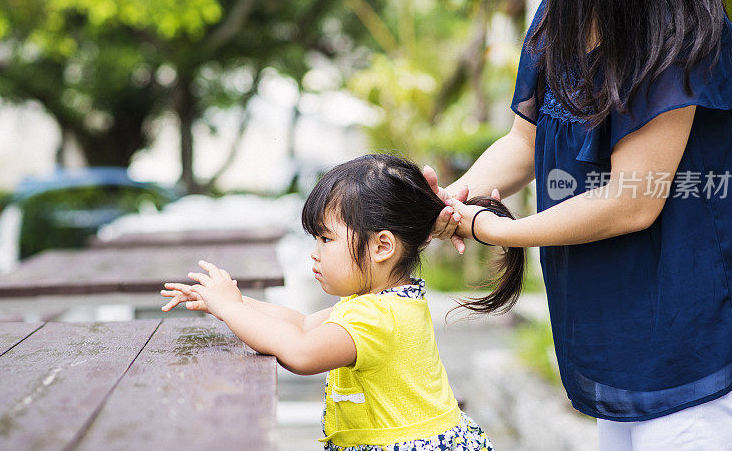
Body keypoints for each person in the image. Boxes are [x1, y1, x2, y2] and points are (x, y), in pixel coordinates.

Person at [426, 0, 732, 449]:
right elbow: (523, 143)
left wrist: (492, 230)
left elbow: (632, 202)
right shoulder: (556, 20)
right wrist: (444, 205)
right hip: (621, 340)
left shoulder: (678, 31)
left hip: (696, 342)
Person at [160, 154, 520, 451]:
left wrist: (231, 309)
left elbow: (301, 352)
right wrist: (230, 301)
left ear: (382, 246)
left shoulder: (377, 316)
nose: (314, 255)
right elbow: (300, 325)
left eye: (325, 239)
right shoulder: (383, 300)